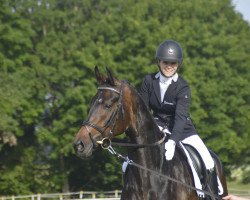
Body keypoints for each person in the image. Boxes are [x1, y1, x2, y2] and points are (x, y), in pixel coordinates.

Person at [139, 39, 221, 197]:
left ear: (178, 64)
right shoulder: (149, 81)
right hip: (157, 128)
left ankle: (212, 195)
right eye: (165, 62)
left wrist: (173, 141)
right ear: (158, 61)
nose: (169, 66)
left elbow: (180, 117)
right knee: (130, 162)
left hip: (183, 130)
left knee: (209, 161)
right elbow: (143, 112)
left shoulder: (182, 86)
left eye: (173, 63)